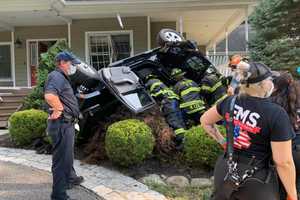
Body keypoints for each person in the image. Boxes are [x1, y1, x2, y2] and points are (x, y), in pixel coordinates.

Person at [200, 62, 297, 200]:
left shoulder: (230, 101)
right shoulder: (276, 114)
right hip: (257, 181)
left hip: (225, 170)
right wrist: (292, 194)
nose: (272, 84)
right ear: (262, 84)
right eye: (270, 80)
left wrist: (224, 143)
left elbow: (205, 121)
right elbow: (283, 162)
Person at [44, 51, 84, 200]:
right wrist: (59, 109)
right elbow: (50, 95)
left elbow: (62, 96)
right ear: (62, 62)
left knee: (67, 157)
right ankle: (59, 195)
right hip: (62, 124)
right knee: (61, 161)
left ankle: (71, 178)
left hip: (66, 124)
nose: (72, 66)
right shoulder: (56, 76)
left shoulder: (62, 77)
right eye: (70, 63)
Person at [271, 71, 300, 195]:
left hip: (284, 153)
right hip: (296, 149)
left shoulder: (271, 104)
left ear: (275, 86)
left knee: (283, 189)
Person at [145, 74, 187, 148]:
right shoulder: (160, 82)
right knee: (179, 119)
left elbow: (153, 96)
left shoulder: (149, 82)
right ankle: (186, 137)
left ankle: (181, 141)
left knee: (173, 121)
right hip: (174, 101)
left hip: (168, 103)